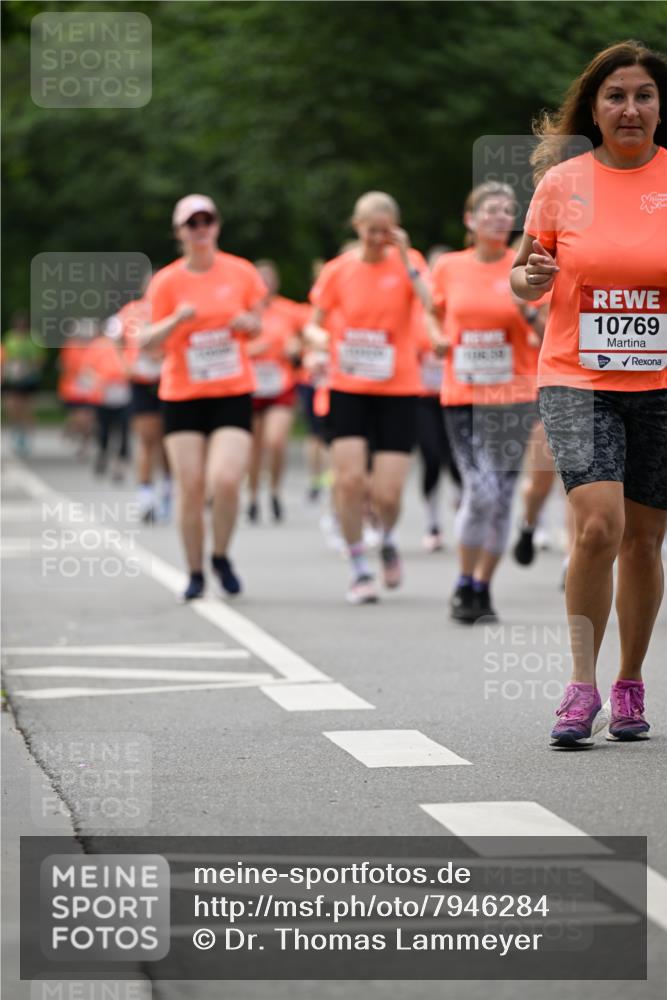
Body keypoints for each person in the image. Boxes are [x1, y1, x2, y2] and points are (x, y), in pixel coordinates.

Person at [510, 40, 667, 747]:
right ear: (594, 108)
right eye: (615, 96)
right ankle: (580, 687)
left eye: (642, 95)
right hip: (576, 376)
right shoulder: (562, 184)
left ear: (659, 107)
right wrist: (528, 281)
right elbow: (522, 273)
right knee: (597, 527)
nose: (628, 108)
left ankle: (630, 680)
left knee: (643, 541)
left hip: (659, 382)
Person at [307, 191, 440, 604]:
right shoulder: (337, 271)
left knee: (387, 493)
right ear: (356, 226)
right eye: (370, 230)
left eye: (386, 231)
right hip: (348, 387)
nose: (377, 238)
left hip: (397, 388)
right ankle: (358, 566)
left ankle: (386, 538)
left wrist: (403, 258)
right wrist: (322, 342)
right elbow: (312, 325)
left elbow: (433, 304)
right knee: (349, 483)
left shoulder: (409, 263)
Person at [139, 194, 267, 600]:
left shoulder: (242, 272)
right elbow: (145, 342)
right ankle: (194, 570)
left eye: (206, 221)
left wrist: (249, 323)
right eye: (191, 223)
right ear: (179, 232)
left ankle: (221, 554)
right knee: (190, 486)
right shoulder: (167, 282)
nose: (200, 229)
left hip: (231, 390)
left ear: (217, 225)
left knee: (226, 480)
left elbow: (258, 323)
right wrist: (176, 319)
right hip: (183, 394)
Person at [432, 182, 544, 623]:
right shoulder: (448, 268)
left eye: (507, 211)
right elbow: (431, 311)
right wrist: (436, 338)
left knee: (500, 498)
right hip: (463, 395)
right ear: (470, 219)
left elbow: (548, 334)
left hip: (514, 395)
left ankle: (481, 587)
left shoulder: (525, 268)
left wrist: (526, 309)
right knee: (480, 490)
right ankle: (463, 580)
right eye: (490, 210)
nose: (499, 218)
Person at [107, 283, 172, 522]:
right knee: (147, 439)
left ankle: (168, 489)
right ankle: (146, 497)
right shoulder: (131, 310)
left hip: (171, 382)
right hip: (142, 382)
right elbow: (113, 335)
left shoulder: (173, 308)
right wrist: (124, 364)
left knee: (169, 441)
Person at [246, 260, 303, 523]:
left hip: (280, 384)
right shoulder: (243, 310)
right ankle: (253, 495)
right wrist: (252, 352)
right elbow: (227, 348)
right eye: (261, 280)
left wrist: (294, 347)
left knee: (276, 441)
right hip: (250, 385)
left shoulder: (288, 310)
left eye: (270, 280)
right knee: (253, 446)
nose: (265, 285)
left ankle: (275, 491)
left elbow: (304, 337)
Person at [85, 322, 132, 482]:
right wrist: (97, 379)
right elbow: (87, 368)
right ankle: (103, 454)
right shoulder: (97, 345)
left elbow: (134, 369)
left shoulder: (129, 346)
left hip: (124, 394)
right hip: (103, 394)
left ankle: (120, 464)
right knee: (104, 429)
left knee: (124, 431)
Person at [1, 312, 46, 456]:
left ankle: (26, 437)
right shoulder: (9, 338)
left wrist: (28, 367)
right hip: (13, 379)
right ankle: (17, 431)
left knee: (26, 409)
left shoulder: (33, 340)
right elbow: (4, 358)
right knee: (11, 407)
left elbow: (40, 360)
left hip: (28, 379)